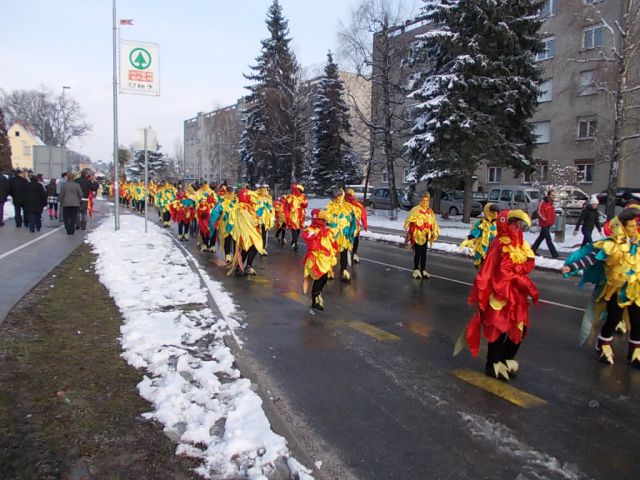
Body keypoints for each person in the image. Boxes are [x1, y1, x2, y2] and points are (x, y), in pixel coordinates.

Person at [462, 210, 539, 380]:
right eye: (513, 223)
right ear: (505, 224)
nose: (516, 227)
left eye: (518, 224)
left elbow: (529, 262)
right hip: (500, 294)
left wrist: (519, 272)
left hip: (517, 294)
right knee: (499, 329)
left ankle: (506, 359)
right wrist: (482, 296)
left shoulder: (520, 243)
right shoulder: (498, 244)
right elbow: (488, 271)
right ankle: (493, 363)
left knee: (519, 327)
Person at [561, 208, 640, 367]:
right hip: (615, 291)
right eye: (631, 226)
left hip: (635, 291)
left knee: (638, 321)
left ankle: (635, 351)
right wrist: (572, 267)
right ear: (623, 226)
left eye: (636, 226)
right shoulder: (611, 244)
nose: (634, 229)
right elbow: (592, 258)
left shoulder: (637, 244)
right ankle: (602, 345)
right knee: (613, 319)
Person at [302, 209, 338, 310]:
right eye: (321, 220)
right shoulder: (310, 230)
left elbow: (333, 243)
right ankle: (314, 300)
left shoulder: (327, 230)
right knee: (318, 278)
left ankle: (318, 294)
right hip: (316, 259)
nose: (323, 222)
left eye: (324, 220)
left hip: (326, 259)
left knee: (324, 278)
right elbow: (309, 240)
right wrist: (319, 234)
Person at [403, 192, 439, 279]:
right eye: (423, 200)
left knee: (424, 253)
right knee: (418, 253)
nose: (425, 203)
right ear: (421, 200)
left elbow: (434, 222)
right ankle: (416, 269)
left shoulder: (430, 212)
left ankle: (423, 269)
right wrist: (415, 224)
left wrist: (433, 230)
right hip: (417, 234)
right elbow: (409, 219)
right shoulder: (416, 209)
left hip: (425, 235)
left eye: (427, 201)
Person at [230, 188, 265, 276]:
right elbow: (250, 219)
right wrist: (257, 222)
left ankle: (241, 267)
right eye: (249, 196)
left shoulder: (243, 206)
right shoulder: (242, 207)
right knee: (255, 245)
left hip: (246, 232)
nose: (250, 198)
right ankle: (247, 266)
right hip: (246, 233)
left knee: (247, 249)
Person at [325, 188, 357, 282]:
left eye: (340, 195)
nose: (338, 197)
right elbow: (325, 220)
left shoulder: (348, 207)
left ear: (343, 195)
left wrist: (351, 233)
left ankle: (344, 271)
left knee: (344, 254)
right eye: (336, 195)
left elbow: (353, 222)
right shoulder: (329, 207)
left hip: (344, 235)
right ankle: (329, 270)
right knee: (331, 253)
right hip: (332, 235)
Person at [460, 203, 500, 268]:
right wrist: (468, 240)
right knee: (484, 268)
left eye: (496, 212)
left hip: (493, 251)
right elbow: (475, 233)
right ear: (488, 211)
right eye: (492, 212)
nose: (495, 214)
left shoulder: (496, 224)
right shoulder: (481, 223)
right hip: (483, 251)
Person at [531, 190, 559, 258]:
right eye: (552, 195)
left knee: (541, 237)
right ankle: (554, 254)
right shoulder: (543, 202)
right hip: (544, 224)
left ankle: (532, 250)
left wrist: (552, 220)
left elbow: (551, 213)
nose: (553, 196)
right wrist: (545, 219)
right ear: (549, 195)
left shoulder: (551, 202)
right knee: (548, 239)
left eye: (554, 195)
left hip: (549, 223)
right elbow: (539, 211)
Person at [282, 183, 307, 250]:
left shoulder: (303, 197)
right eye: (299, 190)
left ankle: (294, 241)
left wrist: (303, 203)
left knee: (298, 230)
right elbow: (287, 206)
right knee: (294, 228)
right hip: (293, 215)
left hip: (300, 215)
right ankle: (295, 243)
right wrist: (287, 214)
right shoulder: (290, 196)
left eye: (301, 191)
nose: (300, 192)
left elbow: (305, 205)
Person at [345, 188, 367, 263]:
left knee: (354, 239)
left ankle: (353, 253)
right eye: (349, 195)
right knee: (349, 239)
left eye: (350, 195)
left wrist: (365, 224)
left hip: (354, 226)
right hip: (346, 225)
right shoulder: (343, 204)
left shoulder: (357, 204)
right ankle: (349, 253)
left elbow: (363, 214)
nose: (350, 197)